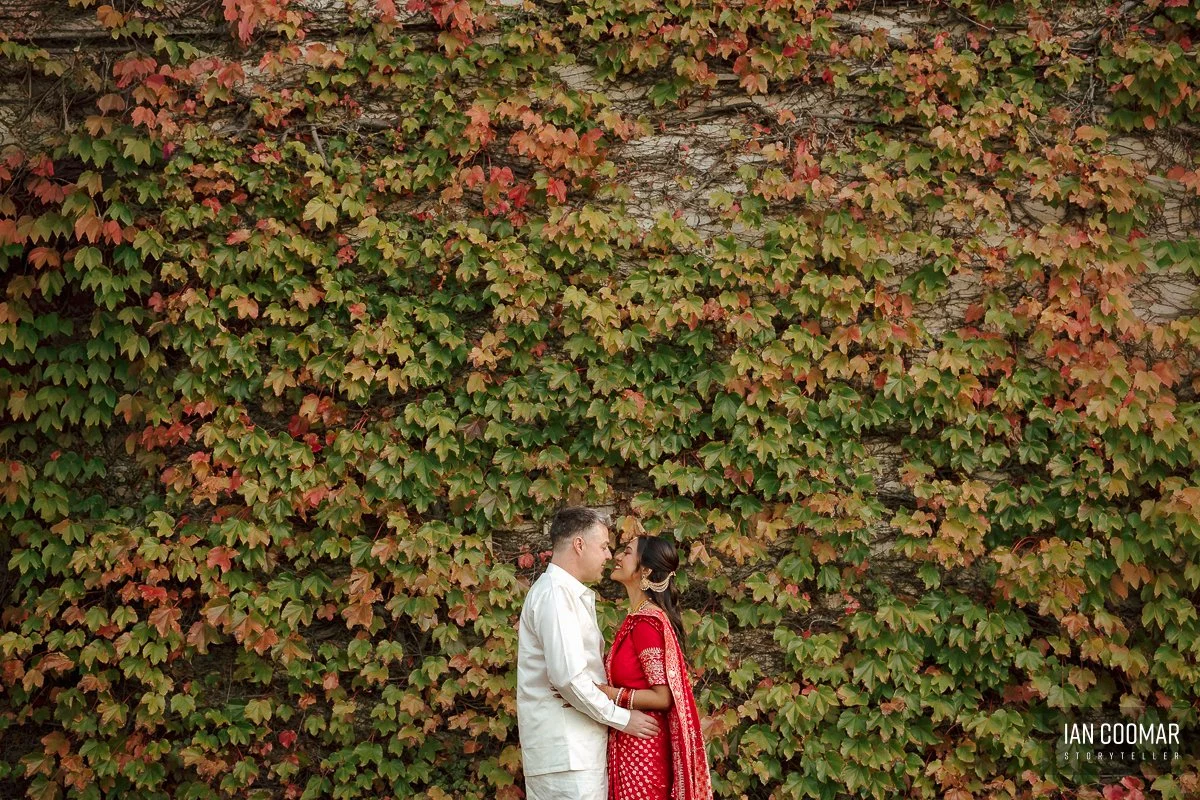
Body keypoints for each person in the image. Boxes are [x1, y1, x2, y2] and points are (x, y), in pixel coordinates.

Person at [517, 507, 663, 800]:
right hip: (568, 755)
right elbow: (569, 679)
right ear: (579, 545)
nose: (609, 556)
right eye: (604, 546)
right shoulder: (556, 595)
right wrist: (623, 719)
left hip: (576, 752)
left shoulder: (566, 593)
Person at [597, 535, 713, 800]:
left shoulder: (646, 624)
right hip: (631, 745)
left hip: (644, 754)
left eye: (627, 552)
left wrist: (610, 694)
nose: (617, 556)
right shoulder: (636, 619)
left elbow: (663, 697)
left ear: (646, 570)